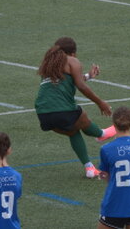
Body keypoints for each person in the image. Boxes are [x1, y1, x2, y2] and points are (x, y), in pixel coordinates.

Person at [35, 37, 115, 178]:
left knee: (72, 131)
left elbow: (68, 79)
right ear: (73, 53)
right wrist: (100, 103)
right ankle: (100, 134)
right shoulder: (72, 60)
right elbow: (80, 86)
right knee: (80, 114)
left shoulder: (49, 64)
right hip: (62, 110)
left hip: (43, 113)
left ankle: (89, 168)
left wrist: (89, 76)